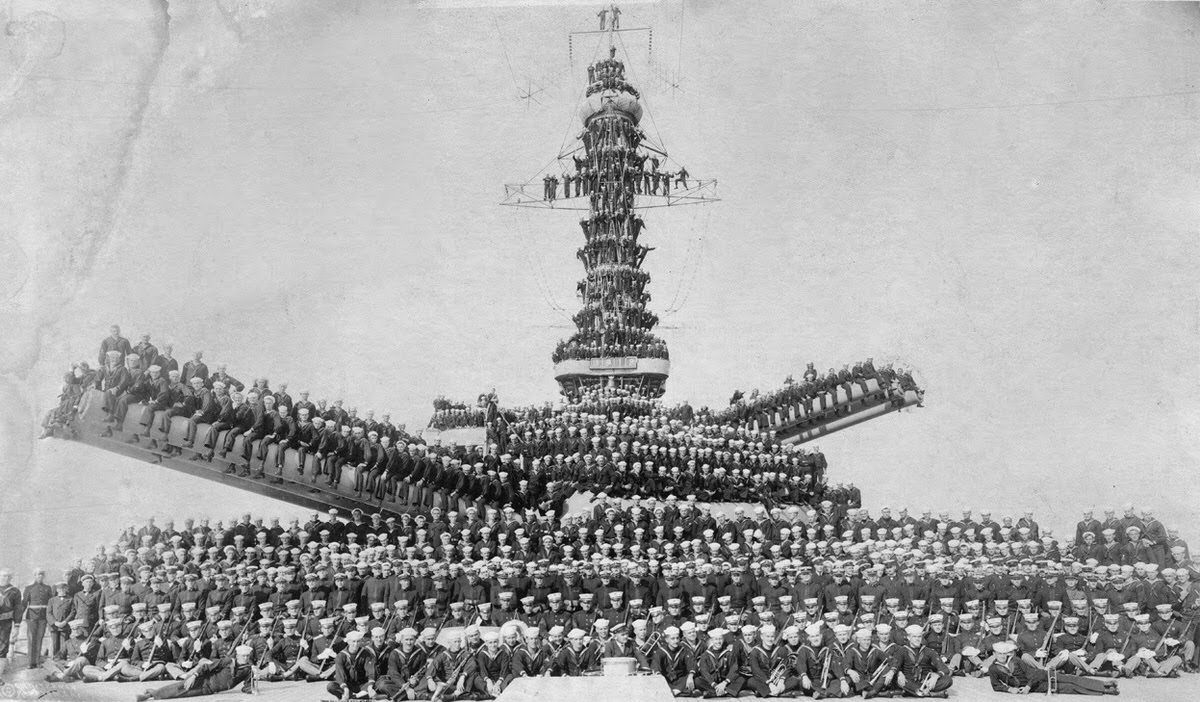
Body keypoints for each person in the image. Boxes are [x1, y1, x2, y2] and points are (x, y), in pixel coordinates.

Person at [988, 640, 1116, 695]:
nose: (1002, 656)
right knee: (1069, 688)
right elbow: (996, 685)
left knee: (1070, 678)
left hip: (1039, 676)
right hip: (1036, 687)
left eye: (1004, 653)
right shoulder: (993, 669)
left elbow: (1032, 673)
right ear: (994, 654)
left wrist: (1027, 686)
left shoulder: (1015, 660)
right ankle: (1103, 691)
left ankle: (1103, 684)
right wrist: (1010, 689)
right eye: (999, 654)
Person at [134, 644, 256, 700]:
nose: (245, 658)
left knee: (183, 694)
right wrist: (194, 676)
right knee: (179, 688)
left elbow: (247, 687)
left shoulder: (247, 670)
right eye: (242, 656)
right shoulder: (228, 661)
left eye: (247, 656)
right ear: (238, 655)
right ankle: (149, 696)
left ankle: (152, 692)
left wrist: (253, 687)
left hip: (209, 690)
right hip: (203, 680)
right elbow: (206, 667)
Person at [21, 567, 53, 669]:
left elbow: (51, 603)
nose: (40, 576)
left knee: (40, 638)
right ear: (34, 576)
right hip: (31, 617)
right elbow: (24, 603)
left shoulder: (48, 588)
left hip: (43, 617)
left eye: (41, 574)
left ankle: (38, 662)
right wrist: (17, 617)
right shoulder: (28, 588)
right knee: (31, 639)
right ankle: (31, 662)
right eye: (38, 574)